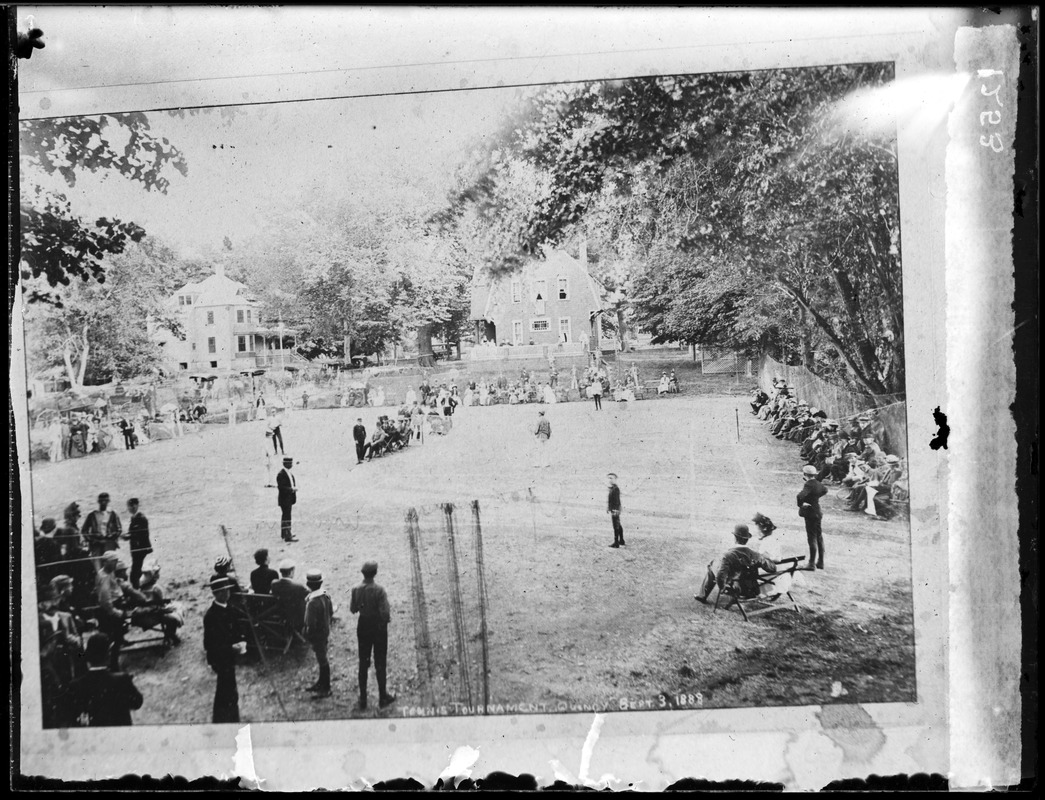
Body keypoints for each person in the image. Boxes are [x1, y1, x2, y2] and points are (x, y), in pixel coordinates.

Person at [65, 633, 143, 727]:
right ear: (108, 655)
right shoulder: (122, 680)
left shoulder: (75, 685)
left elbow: (72, 717)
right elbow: (137, 703)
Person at [350, 561, 395, 710]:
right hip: (378, 628)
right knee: (380, 662)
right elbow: (385, 613)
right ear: (375, 573)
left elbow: (353, 609)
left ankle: (363, 699)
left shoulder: (356, 589)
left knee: (363, 662)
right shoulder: (379, 590)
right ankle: (383, 697)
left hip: (363, 626)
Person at [203, 575, 248, 724]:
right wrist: (231, 648)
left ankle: (229, 717)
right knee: (226, 690)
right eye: (226, 591)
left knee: (228, 689)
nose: (229, 594)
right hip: (220, 658)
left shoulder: (230, 608)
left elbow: (238, 626)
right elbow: (209, 645)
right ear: (219, 593)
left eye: (228, 591)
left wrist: (241, 638)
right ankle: (224, 720)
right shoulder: (211, 616)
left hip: (229, 656)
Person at [694, 524, 776, 603]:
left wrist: (722, 588)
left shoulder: (728, 555)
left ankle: (702, 596)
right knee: (717, 565)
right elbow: (772, 568)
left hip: (735, 589)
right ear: (747, 539)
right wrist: (765, 557)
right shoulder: (756, 555)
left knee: (712, 565)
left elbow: (720, 576)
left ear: (735, 538)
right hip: (752, 590)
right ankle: (702, 595)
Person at [303, 569, 334, 698]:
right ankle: (322, 682)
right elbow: (331, 611)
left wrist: (307, 634)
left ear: (308, 584)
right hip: (325, 630)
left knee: (322, 658)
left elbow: (309, 622)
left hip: (317, 634)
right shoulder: (326, 594)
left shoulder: (312, 603)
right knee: (322, 657)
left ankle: (326, 688)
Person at [94, 553, 127, 669]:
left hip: (114, 605)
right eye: (114, 561)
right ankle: (113, 665)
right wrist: (113, 611)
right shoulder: (104, 577)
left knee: (115, 637)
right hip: (110, 610)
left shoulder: (108, 572)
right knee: (114, 638)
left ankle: (111, 663)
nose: (115, 564)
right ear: (106, 562)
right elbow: (105, 598)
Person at [797, 464, 828, 570]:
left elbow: (800, 496)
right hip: (818, 511)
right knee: (819, 537)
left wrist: (802, 504)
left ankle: (811, 563)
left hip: (810, 513)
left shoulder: (809, 484)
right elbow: (825, 490)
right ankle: (820, 562)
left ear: (805, 474)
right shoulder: (818, 483)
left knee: (811, 538)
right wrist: (815, 498)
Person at [271, 559, 309, 634]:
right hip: (296, 618)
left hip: (280, 615)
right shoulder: (298, 587)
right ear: (292, 571)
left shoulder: (274, 584)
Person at [81, 492, 123, 561]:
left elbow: (119, 529)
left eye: (105, 501)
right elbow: (84, 530)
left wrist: (111, 538)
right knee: (97, 564)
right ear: (98, 501)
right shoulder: (92, 515)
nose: (103, 503)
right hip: (96, 545)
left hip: (109, 545)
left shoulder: (112, 514)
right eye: (101, 501)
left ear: (108, 501)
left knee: (110, 564)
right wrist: (92, 540)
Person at [126, 498, 152, 589]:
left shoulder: (141, 518)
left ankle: (136, 587)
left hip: (139, 548)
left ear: (137, 505)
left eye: (133, 505)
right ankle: (138, 586)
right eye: (130, 506)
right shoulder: (135, 517)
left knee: (135, 571)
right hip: (136, 548)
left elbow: (139, 533)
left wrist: (128, 536)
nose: (132, 508)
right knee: (136, 568)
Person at [276, 456, 299, 542]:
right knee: (286, 517)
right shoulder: (281, 474)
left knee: (286, 516)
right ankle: (287, 536)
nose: (291, 465)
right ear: (285, 464)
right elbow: (281, 487)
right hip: (285, 499)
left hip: (288, 498)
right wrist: (292, 489)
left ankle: (285, 533)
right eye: (289, 463)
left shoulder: (288, 473)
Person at [607, 473, 625, 548]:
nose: (610, 480)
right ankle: (621, 540)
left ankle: (616, 542)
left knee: (616, 525)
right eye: (609, 478)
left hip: (615, 509)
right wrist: (608, 507)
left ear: (615, 479)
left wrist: (615, 510)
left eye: (611, 478)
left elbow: (617, 500)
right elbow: (610, 500)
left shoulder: (615, 489)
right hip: (614, 509)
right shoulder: (613, 488)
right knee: (618, 524)